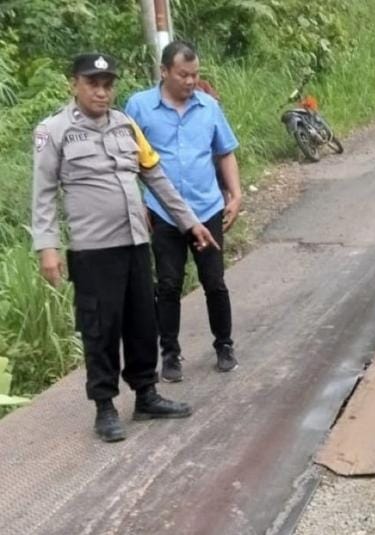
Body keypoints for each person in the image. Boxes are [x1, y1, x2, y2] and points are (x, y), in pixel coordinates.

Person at [31, 53, 219, 442]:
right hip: (93, 250)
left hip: (135, 241)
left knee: (141, 321)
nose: (101, 92)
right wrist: (46, 248)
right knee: (100, 328)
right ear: (75, 84)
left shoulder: (126, 126)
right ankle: (104, 407)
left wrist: (191, 223)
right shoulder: (55, 130)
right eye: (92, 84)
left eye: (107, 84)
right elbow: (44, 193)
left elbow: (156, 178)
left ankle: (146, 394)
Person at [126, 41, 243, 382]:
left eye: (195, 74)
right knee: (168, 284)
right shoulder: (139, 107)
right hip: (162, 213)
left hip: (206, 208)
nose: (191, 81)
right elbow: (126, 161)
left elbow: (225, 152)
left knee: (214, 282)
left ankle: (224, 346)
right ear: (164, 72)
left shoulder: (208, 107)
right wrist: (139, 203)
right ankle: (171, 355)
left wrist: (235, 195)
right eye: (183, 75)